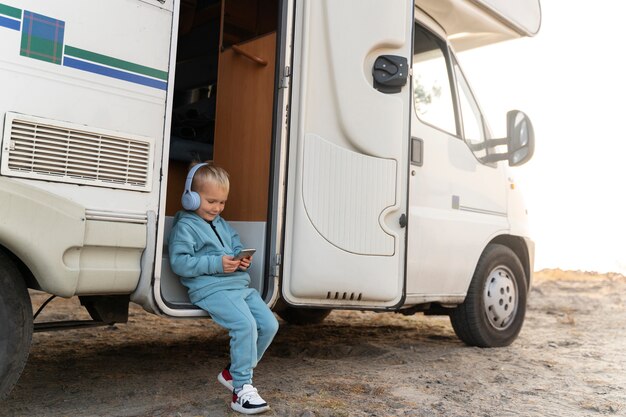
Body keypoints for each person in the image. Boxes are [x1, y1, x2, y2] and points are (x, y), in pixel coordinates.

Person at [168, 162, 279, 415]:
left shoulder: (221, 223)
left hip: (238, 286)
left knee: (269, 325)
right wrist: (217, 263)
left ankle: (231, 372)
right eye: (211, 201)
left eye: (222, 203)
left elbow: (235, 243)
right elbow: (180, 262)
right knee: (244, 325)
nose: (217, 208)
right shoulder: (185, 227)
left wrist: (240, 259)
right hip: (211, 289)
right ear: (191, 197)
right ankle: (241, 389)